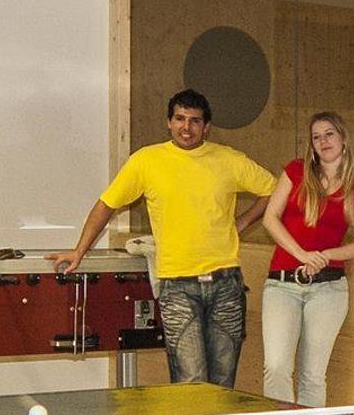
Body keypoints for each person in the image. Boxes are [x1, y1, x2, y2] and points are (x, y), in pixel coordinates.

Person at [54, 89, 274, 386]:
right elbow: (106, 204)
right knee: (190, 381)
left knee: (223, 384)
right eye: (180, 119)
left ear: (206, 127)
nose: (187, 127)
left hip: (226, 284)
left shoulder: (229, 159)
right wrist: (79, 251)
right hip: (177, 286)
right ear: (169, 122)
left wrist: (244, 221)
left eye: (195, 121)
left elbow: (273, 190)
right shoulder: (146, 161)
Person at [260, 112, 354, 406]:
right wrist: (302, 255)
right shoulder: (295, 171)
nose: (323, 141)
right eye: (316, 137)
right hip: (282, 284)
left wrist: (326, 256)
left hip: (329, 289)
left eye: (329, 134)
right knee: (276, 367)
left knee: (312, 375)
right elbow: (270, 218)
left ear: (343, 138)